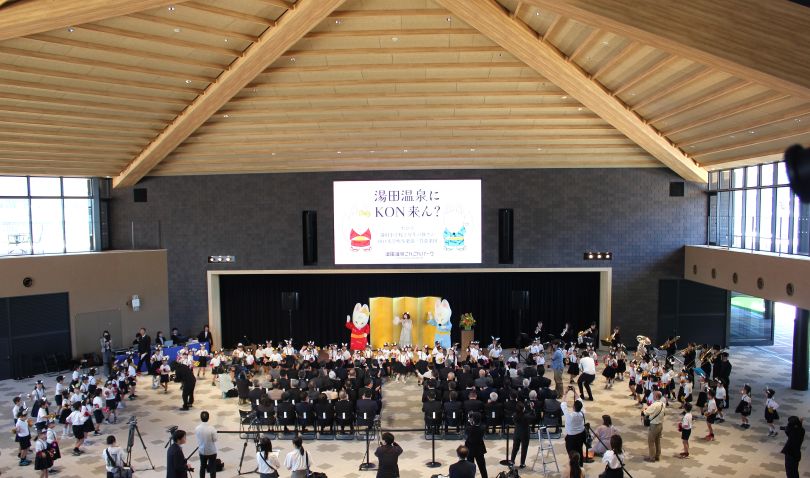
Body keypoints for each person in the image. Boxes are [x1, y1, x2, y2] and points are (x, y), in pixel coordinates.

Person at [560, 387, 586, 467]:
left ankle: (574, 468)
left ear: (573, 407)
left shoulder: (569, 416)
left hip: (571, 437)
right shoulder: (582, 413)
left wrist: (565, 393)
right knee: (579, 450)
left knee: (571, 453)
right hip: (581, 435)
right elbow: (579, 400)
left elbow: (563, 404)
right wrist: (574, 391)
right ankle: (580, 466)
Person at [510, 401, 536, 468]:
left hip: (517, 433)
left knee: (515, 448)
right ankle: (522, 463)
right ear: (523, 409)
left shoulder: (514, 415)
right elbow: (533, 417)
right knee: (524, 449)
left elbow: (525, 414)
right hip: (525, 434)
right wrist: (532, 409)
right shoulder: (526, 416)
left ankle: (512, 461)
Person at [642, 391, 666, 462]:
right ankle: (657, 456)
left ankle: (652, 457)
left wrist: (644, 409)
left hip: (654, 425)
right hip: (660, 424)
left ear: (656, 396)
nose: (653, 396)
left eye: (654, 395)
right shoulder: (663, 404)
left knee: (651, 441)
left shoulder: (654, 405)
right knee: (657, 441)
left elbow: (645, 412)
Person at [464, 411, 487, 478]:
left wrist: (469, 420)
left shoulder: (469, 429)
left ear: (473, 420)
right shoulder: (483, 427)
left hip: (470, 450)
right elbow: (477, 425)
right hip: (479, 450)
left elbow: (467, 428)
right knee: (482, 467)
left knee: (470, 468)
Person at [195, 411, 218, 478]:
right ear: (208, 418)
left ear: (201, 418)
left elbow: (197, 438)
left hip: (202, 451)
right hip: (211, 451)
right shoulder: (212, 428)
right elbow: (215, 439)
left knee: (202, 467)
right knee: (212, 468)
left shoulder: (197, 428)